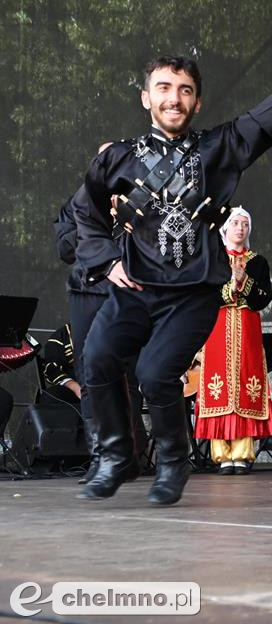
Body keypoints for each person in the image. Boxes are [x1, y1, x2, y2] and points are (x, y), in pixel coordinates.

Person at [74, 40, 272, 505]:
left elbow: (266, 119)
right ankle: (117, 454)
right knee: (96, 358)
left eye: (183, 90)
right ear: (146, 97)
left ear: (196, 102)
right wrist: (107, 261)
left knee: (156, 373)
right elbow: (84, 213)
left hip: (193, 291)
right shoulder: (116, 157)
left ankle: (174, 462)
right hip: (135, 286)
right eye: (163, 88)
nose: (172, 98)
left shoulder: (219, 147)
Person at [54, 177, 149, 484]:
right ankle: (100, 457)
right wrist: (95, 234)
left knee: (127, 374)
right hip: (86, 291)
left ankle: (127, 454)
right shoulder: (77, 204)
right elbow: (64, 248)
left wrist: (127, 222)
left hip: (128, 292)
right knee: (87, 370)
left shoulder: (141, 201)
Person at [193, 207, 272, 475]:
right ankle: (221, 455)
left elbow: (263, 298)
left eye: (245, 224)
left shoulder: (257, 262)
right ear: (225, 228)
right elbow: (204, 294)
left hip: (246, 327)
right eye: (235, 223)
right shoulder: (212, 259)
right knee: (218, 386)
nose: (240, 228)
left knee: (245, 383)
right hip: (215, 328)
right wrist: (231, 287)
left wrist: (244, 282)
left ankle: (241, 454)